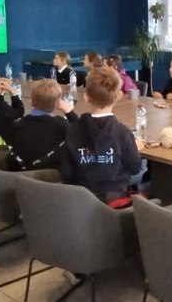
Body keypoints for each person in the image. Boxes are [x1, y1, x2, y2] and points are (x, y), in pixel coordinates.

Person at [60, 66, 144, 206]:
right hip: (114, 205)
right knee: (143, 171)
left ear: (86, 96)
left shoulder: (73, 130)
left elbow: (67, 173)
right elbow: (135, 168)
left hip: (80, 204)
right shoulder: (123, 133)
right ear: (119, 96)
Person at [6, 79, 78, 171]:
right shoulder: (62, 125)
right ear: (57, 104)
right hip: (50, 173)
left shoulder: (18, 125)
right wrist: (69, 111)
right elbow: (81, 133)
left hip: (22, 173)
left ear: (31, 101)